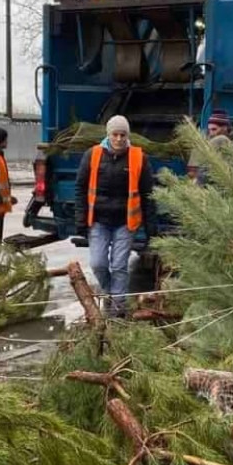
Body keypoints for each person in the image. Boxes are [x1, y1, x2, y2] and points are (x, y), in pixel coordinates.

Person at [75, 115, 157, 317]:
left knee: (119, 266)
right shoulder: (92, 155)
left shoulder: (138, 158)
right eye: (115, 134)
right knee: (98, 264)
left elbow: (148, 195)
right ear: (108, 134)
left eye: (123, 135)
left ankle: (117, 312)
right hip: (99, 221)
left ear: (128, 136)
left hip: (125, 223)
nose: (119, 139)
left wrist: (150, 228)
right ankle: (111, 293)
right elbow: (80, 188)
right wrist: (80, 219)